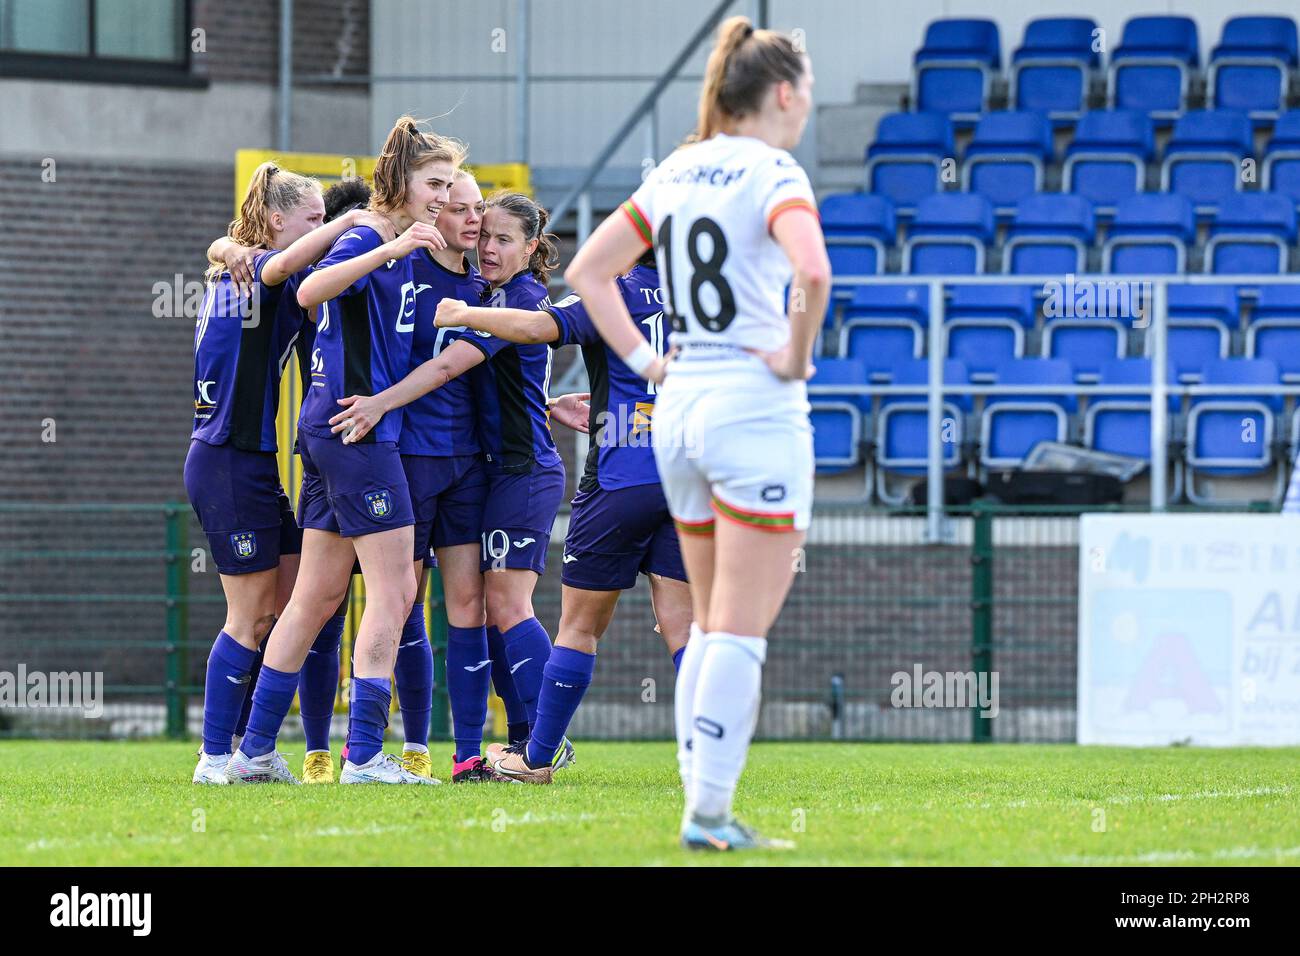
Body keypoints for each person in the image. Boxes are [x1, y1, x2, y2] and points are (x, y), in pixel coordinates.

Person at [563, 17, 829, 848]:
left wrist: (646, 363)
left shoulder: (676, 168)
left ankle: (702, 804)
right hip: (752, 406)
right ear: (783, 92)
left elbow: (587, 272)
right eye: (808, 87)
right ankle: (708, 813)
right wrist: (794, 354)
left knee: (711, 624)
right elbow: (814, 270)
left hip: (677, 407)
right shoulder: (775, 168)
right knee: (735, 630)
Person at [226, 116, 459, 785]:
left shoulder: (401, 239)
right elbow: (307, 290)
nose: (441, 196)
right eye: (434, 182)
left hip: (330, 432)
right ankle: (363, 756)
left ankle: (255, 753)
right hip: (357, 433)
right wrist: (385, 249)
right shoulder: (371, 233)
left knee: (315, 598)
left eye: (449, 184)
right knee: (396, 590)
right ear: (401, 180)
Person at [326, 191, 576, 770]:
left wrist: (377, 405)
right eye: (481, 230)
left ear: (532, 246)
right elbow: (504, 385)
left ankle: (543, 740)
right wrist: (550, 400)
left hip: (519, 471)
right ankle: (476, 751)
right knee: (449, 605)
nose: (486, 243)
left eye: (503, 238)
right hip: (474, 469)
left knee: (504, 606)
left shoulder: (515, 301)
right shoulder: (456, 283)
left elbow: (446, 367)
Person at [432, 247, 692, 783]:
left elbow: (535, 327)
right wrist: (600, 401)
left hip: (620, 478)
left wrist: (463, 314)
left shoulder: (615, 292)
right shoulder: (701, 299)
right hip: (685, 474)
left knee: (578, 627)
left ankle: (536, 758)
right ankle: (708, 757)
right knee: (683, 628)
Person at [187, 162, 391, 785]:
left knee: (295, 602)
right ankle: (216, 756)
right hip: (226, 461)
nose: (323, 231)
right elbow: (277, 268)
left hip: (250, 463)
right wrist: (356, 220)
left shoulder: (238, 264)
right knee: (247, 617)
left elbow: (243, 254)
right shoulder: (264, 272)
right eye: (313, 221)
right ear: (278, 222)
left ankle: (257, 747)